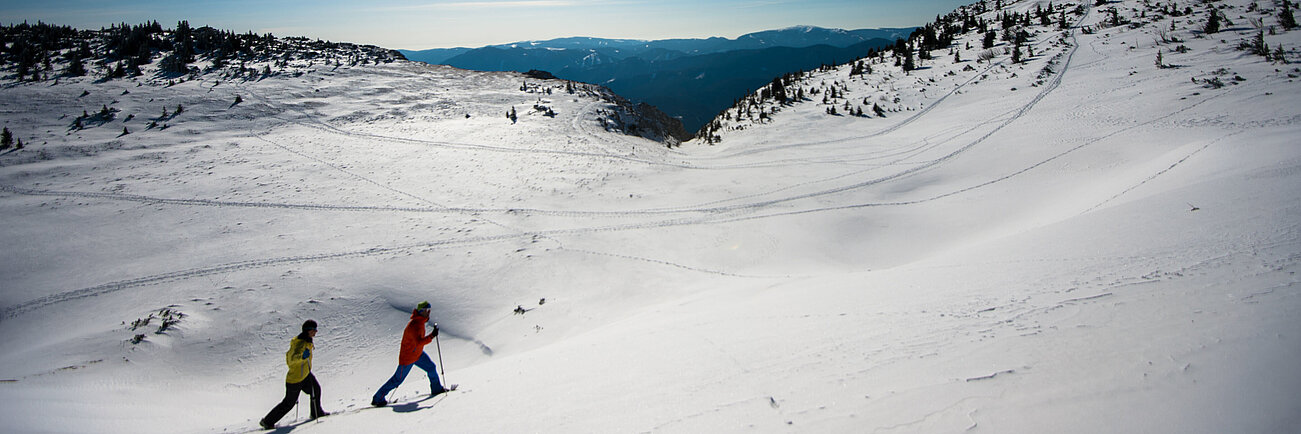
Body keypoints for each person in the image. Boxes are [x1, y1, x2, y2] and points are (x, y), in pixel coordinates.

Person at [371, 301, 447, 407]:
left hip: (417, 354)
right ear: (421, 311)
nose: (428, 312)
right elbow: (419, 342)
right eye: (426, 310)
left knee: (431, 368)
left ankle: (437, 389)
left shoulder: (419, 322)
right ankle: (378, 398)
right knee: (397, 380)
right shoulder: (415, 325)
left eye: (428, 310)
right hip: (408, 358)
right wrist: (432, 336)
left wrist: (432, 335)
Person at [260, 320, 328, 429]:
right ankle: (267, 421)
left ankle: (316, 412)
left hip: (305, 375)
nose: (316, 332)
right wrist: (302, 356)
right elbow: (291, 360)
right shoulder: (300, 343)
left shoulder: (307, 340)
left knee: (316, 389)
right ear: (308, 330)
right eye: (314, 330)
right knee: (288, 404)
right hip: (295, 379)